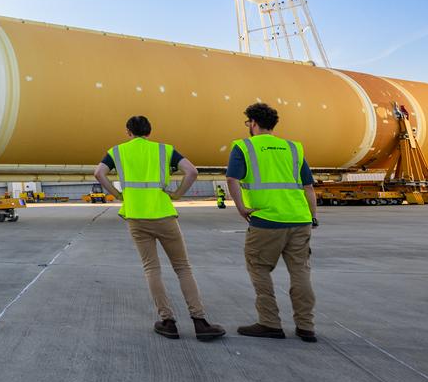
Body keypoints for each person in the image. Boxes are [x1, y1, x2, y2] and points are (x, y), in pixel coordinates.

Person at [95, 115, 225, 341]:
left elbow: (99, 173)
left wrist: (117, 195)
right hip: (164, 214)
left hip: (136, 216)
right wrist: (177, 194)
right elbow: (192, 171)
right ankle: (200, 322)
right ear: (149, 131)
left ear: (128, 132)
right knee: (183, 268)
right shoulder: (165, 150)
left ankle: (167, 321)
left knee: (151, 269)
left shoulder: (117, 151)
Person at [226, 102, 318, 343]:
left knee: (259, 268)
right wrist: (312, 215)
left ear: (253, 123)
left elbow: (232, 179)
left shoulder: (244, 146)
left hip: (266, 219)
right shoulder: (293, 148)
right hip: (299, 219)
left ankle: (269, 322)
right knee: (300, 272)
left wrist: (241, 207)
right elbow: (308, 186)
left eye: (248, 122)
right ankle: (306, 327)